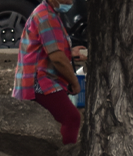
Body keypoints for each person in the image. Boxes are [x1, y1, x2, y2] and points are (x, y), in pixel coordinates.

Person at [13, 0, 87, 145]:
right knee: (72, 118)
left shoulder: (48, 13)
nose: (71, 1)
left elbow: (48, 48)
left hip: (37, 80)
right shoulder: (46, 16)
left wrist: (70, 53)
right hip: (38, 82)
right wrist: (74, 82)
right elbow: (57, 57)